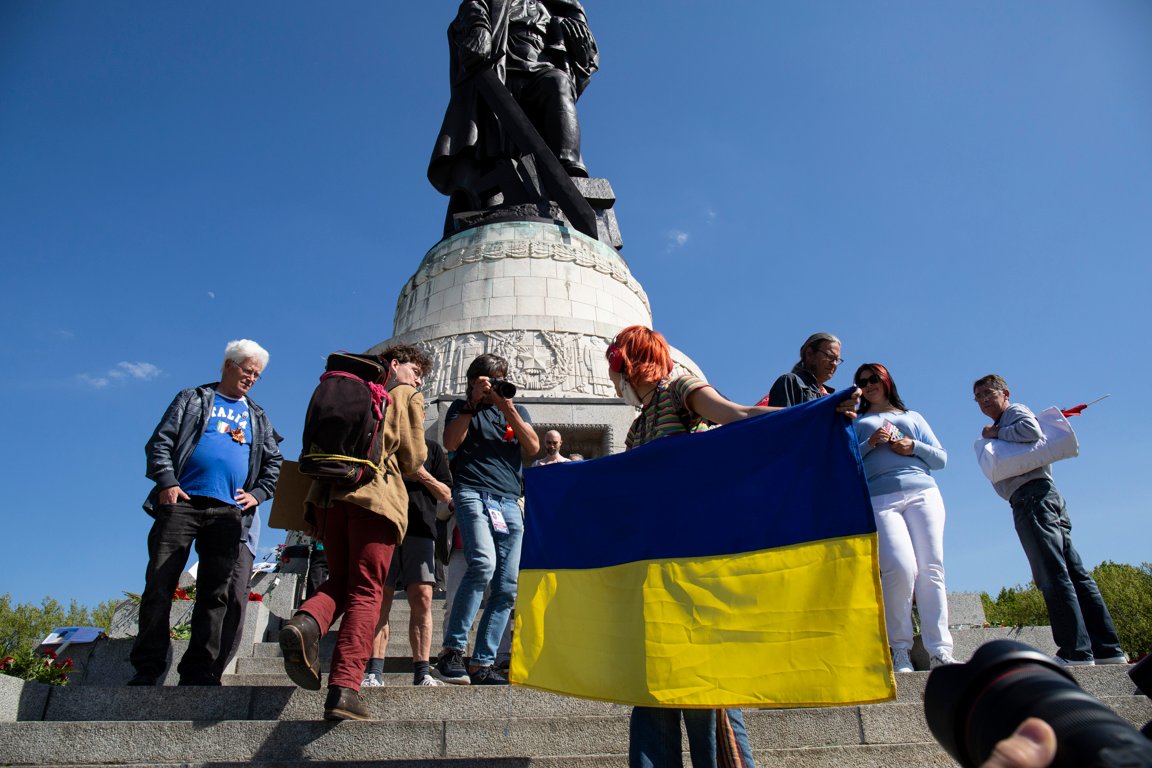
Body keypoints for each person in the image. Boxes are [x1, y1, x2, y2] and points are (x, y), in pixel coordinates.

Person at [605, 325, 860, 768]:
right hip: (652, 567)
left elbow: (737, 415)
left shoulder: (679, 387)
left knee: (707, 682)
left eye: (616, 369)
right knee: (650, 686)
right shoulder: (637, 427)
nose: (615, 381)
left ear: (628, 363)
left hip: (694, 558)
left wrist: (815, 412)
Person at [278, 344, 430, 720]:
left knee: (343, 578)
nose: (418, 378)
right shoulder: (404, 394)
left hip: (328, 498)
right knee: (366, 592)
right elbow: (413, 460)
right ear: (395, 365)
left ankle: (306, 621)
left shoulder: (348, 386)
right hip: (374, 501)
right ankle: (345, 687)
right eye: (414, 369)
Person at [130, 339, 283, 686]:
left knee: (215, 594)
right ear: (228, 365)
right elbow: (161, 442)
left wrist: (258, 494)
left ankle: (198, 670)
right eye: (247, 371)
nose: (251, 379)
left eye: (257, 375)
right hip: (182, 503)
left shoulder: (257, 415)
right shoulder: (193, 399)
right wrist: (167, 481)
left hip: (228, 512)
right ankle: (148, 666)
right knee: (159, 584)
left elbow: (273, 461)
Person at [973, 374, 1126, 666]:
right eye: (977, 397)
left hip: (1031, 498)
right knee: (1074, 571)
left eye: (987, 393)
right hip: (1045, 496)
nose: (982, 401)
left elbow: (1030, 430)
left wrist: (994, 435)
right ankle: (1108, 649)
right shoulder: (1006, 418)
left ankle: (1075, 651)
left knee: (1051, 573)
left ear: (1004, 392)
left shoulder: (1014, 413)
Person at [428, 0, 599, 216]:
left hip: (540, 66)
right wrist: (479, 28)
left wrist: (578, 39)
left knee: (559, 83)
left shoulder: (553, 14)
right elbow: (472, 7)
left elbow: (584, 57)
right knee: (491, 149)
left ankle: (567, 171)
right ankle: (491, 194)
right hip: (499, 68)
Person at [434, 353, 539, 685]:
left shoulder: (515, 411)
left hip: (509, 500)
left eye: (501, 379)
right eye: (490, 380)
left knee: (508, 585)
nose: (496, 385)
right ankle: (452, 651)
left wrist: (505, 405)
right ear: (474, 381)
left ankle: (482, 662)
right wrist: (472, 403)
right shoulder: (460, 408)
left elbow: (533, 446)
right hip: (472, 492)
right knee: (482, 564)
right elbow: (450, 442)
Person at [852, 363, 954, 673]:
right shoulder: (856, 422)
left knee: (931, 568)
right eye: (861, 382)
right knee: (899, 568)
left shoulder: (913, 417)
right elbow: (845, 461)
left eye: (873, 379)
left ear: (886, 382)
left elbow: (941, 459)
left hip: (923, 492)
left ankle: (940, 651)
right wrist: (871, 444)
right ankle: (899, 649)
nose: (868, 385)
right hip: (880, 498)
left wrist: (913, 447)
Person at [363, 438, 453, 688]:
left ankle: (422, 671)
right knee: (381, 597)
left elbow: (446, 494)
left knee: (423, 596)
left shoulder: (432, 449)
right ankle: (374, 671)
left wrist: (421, 474)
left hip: (420, 528)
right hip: (383, 527)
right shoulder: (380, 442)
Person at [760, 332, 842, 407]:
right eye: (830, 357)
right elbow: (782, 420)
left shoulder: (833, 399)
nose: (834, 363)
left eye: (837, 360)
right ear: (809, 354)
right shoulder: (790, 382)